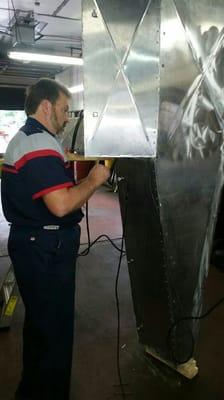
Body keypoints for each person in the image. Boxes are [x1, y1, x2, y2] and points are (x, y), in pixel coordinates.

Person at [1, 78, 110, 400]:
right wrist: (93, 180)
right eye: (64, 110)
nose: (66, 117)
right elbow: (61, 205)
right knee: (54, 333)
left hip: (34, 244)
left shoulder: (28, 139)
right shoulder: (39, 145)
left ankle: (32, 390)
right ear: (46, 106)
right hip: (45, 249)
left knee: (40, 327)